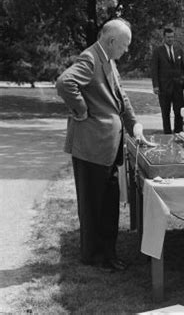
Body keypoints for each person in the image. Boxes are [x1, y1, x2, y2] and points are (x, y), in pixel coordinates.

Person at [56, 18, 145, 271]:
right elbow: (64, 83)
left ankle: (107, 252)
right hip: (91, 147)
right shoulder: (91, 58)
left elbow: (121, 96)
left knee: (107, 203)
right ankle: (94, 256)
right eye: (125, 45)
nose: (126, 51)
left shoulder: (109, 59)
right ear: (111, 40)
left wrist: (134, 125)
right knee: (93, 205)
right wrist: (81, 110)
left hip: (107, 147)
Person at [150, 27, 184, 134]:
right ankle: (167, 132)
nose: (170, 39)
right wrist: (155, 85)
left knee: (179, 111)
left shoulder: (179, 50)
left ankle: (179, 132)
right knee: (165, 111)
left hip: (178, 87)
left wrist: (183, 80)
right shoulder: (158, 51)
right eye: (168, 37)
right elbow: (154, 69)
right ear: (164, 37)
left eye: (172, 37)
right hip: (164, 86)